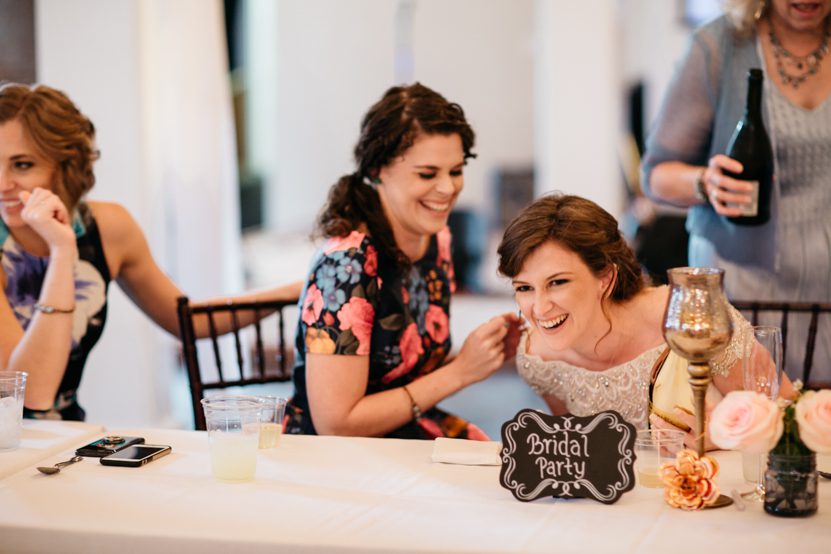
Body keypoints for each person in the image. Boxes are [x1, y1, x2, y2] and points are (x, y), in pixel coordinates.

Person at [0, 83, 300, 421]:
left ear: (64, 165)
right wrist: (61, 250)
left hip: (67, 436)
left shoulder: (108, 228)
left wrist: (294, 290)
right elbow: (28, 395)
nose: (2, 183)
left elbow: (187, 322)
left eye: (22, 164)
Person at [285, 83, 521, 440]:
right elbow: (336, 425)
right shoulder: (346, 265)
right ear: (378, 169)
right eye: (427, 174)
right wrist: (460, 371)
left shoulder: (437, 240)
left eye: (456, 170)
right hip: (336, 453)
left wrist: (483, 354)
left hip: (400, 431)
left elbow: (406, 375)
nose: (448, 188)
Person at [497, 193, 794, 449]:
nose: (540, 308)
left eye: (558, 282)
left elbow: (788, 418)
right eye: (524, 288)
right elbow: (577, 456)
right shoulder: (539, 358)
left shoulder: (690, 316)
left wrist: (722, 438)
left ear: (605, 278)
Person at [641, 0, 831, 388]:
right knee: (752, 412)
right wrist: (705, 183)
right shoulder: (719, 46)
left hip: (826, 293)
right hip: (743, 291)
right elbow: (655, 175)